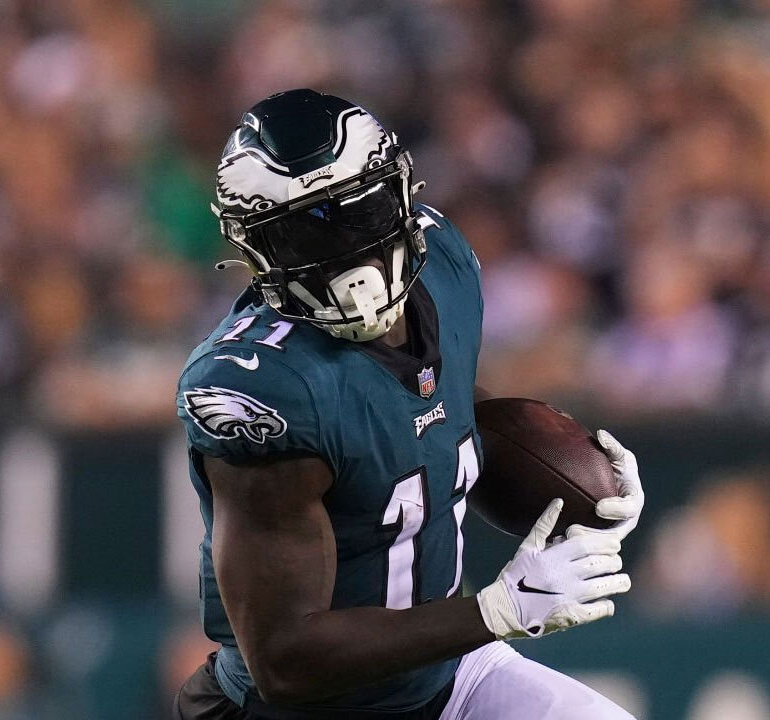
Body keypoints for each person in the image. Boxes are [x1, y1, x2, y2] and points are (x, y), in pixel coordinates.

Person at [173, 89, 644, 720]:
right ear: (256, 251)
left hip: (445, 676)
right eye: (300, 234)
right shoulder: (265, 386)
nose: (345, 257)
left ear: (399, 197)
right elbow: (284, 661)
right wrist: (496, 610)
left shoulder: (444, 266)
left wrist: (583, 488)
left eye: (359, 214)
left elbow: (436, 413)